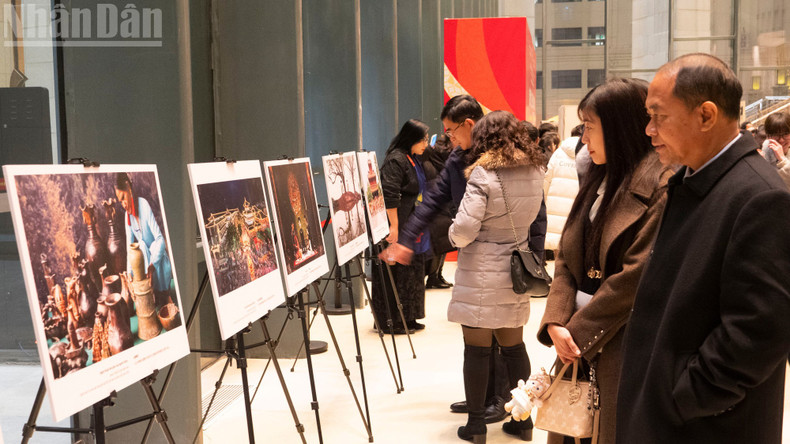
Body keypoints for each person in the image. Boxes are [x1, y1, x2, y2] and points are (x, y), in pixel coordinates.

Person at [617, 53, 790, 444]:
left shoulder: (758, 196)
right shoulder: (697, 181)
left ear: (706, 115)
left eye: (658, 116)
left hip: (704, 427)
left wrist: (684, 396)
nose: (649, 129)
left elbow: (759, 331)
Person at [381, 95, 548, 423]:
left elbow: (536, 216)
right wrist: (405, 240)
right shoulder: (459, 159)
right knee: (482, 339)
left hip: (496, 257)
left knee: (499, 341)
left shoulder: (502, 164)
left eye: (451, 130)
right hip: (478, 259)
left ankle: (503, 402)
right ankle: (484, 400)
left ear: (469, 124)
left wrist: (535, 258)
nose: (448, 138)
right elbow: (431, 201)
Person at [537, 78, 672, 444]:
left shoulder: (661, 186)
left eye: (591, 128)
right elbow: (567, 257)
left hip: (619, 338)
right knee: (570, 427)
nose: (584, 140)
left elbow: (637, 275)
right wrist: (555, 320)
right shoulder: (597, 176)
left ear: (618, 128)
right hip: (575, 336)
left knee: (608, 429)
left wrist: (575, 331)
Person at [448, 110, 544, 443]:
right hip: (514, 269)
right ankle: (523, 420)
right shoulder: (534, 171)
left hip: (481, 271)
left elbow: (463, 229)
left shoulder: (483, 174)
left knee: (477, 351)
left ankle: (476, 426)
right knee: (514, 347)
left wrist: (452, 236)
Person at [373, 119, 431, 333]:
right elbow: (389, 195)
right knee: (394, 273)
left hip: (412, 223)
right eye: (423, 139)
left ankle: (409, 316)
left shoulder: (412, 158)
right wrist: (394, 227)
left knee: (412, 272)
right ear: (411, 138)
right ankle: (391, 321)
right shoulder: (395, 160)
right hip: (396, 224)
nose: (426, 143)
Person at [114, 173, 173, 305]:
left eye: (123, 198)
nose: (123, 204)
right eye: (120, 201)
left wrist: (152, 265)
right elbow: (130, 248)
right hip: (145, 264)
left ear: (129, 188)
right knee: (139, 246)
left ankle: (164, 293)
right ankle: (151, 293)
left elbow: (160, 239)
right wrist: (129, 273)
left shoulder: (143, 205)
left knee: (151, 246)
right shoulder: (127, 216)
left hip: (157, 262)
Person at [422, 133, 455, 289]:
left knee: (441, 243)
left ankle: (436, 276)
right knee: (440, 243)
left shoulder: (431, 160)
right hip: (440, 207)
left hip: (439, 206)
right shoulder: (442, 161)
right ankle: (434, 276)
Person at [542, 135, 581, 257]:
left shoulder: (558, 153)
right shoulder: (586, 155)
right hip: (575, 206)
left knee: (556, 245)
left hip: (555, 206)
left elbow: (547, 180)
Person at [760, 112, 790, 188]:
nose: (781, 140)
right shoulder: (766, 147)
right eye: (776, 134)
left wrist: (782, 160)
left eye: (786, 134)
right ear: (767, 136)